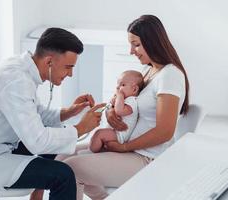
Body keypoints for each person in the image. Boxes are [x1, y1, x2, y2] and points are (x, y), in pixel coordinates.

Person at [0, 27, 105, 200]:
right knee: (64, 176)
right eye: (68, 67)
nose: (70, 74)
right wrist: (80, 128)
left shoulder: (21, 67)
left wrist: (69, 112)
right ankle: (40, 189)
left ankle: (37, 193)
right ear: (49, 62)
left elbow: (36, 114)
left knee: (55, 130)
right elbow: (37, 142)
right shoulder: (17, 82)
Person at [56, 14, 190, 200]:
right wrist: (111, 112)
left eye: (136, 44)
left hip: (147, 158)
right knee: (62, 156)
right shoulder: (148, 71)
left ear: (152, 42)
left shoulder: (170, 75)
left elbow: (165, 132)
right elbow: (126, 100)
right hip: (131, 148)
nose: (131, 51)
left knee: (71, 169)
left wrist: (124, 147)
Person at [89, 70, 143, 153]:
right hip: (115, 132)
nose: (118, 88)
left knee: (99, 133)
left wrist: (119, 97)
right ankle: (100, 150)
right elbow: (107, 106)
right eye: (118, 85)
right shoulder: (124, 100)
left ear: (134, 89)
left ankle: (92, 152)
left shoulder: (132, 101)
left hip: (120, 135)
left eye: (123, 85)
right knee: (101, 136)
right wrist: (110, 104)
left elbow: (119, 111)